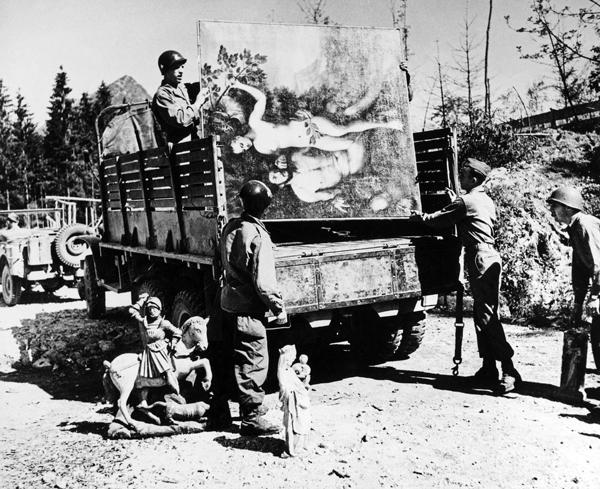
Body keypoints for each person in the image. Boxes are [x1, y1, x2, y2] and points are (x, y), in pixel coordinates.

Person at [413, 158, 521, 395]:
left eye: (463, 175)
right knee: (483, 313)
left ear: (474, 178)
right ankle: (489, 368)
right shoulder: (484, 199)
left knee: (486, 315)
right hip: (487, 255)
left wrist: (420, 218)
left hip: (479, 256)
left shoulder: (467, 201)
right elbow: (468, 214)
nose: (459, 178)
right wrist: (457, 202)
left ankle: (509, 369)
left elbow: (440, 219)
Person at [219, 180, 288, 436]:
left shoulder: (231, 227)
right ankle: (251, 418)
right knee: (253, 360)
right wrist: (278, 307)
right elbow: (264, 282)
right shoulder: (258, 235)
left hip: (229, 304)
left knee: (232, 358)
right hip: (249, 309)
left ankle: (222, 413)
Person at [228, 81, 403, 156]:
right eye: (242, 150)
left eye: (241, 145)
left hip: (307, 127)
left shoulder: (255, 123)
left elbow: (261, 98)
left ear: (238, 137)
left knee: (342, 129)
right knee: (347, 144)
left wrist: (240, 86)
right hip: (312, 142)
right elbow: (286, 150)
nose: (245, 147)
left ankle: (387, 123)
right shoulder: (260, 149)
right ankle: (378, 123)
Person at [547, 186, 600, 330]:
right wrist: (578, 304)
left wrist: (595, 297)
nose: (551, 210)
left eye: (555, 206)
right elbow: (580, 269)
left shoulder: (585, 225)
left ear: (568, 208)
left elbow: (598, 264)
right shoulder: (574, 228)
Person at [268, 140, 365, 211]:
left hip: (338, 149)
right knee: (356, 148)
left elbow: (308, 141)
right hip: (346, 167)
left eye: (275, 170)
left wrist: (281, 154)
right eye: (275, 177)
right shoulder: (302, 192)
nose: (278, 173)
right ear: (281, 185)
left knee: (353, 142)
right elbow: (331, 194)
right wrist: (335, 198)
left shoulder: (294, 157)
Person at [129, 295, 182, 408]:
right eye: (149, 309)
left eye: (155, 308)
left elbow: (178, 331)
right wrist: (143, 300)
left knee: (168, 375)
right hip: (148, 353)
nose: (152, 311)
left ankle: (178, 395)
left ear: (159, 309)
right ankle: (143, 403)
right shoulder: (145, 322)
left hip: (161, 352)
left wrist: (173, 341)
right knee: (142, 378)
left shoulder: (164, 323)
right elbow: (132, 311)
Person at [152, 50, 209, 144]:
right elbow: (180, 119)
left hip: (195, 142)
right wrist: (197, 103)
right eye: (176, 68)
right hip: (180, 148)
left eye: (182, 67)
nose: (181, 71)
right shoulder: (162, 94)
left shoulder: (183, 88)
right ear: (166, 70)